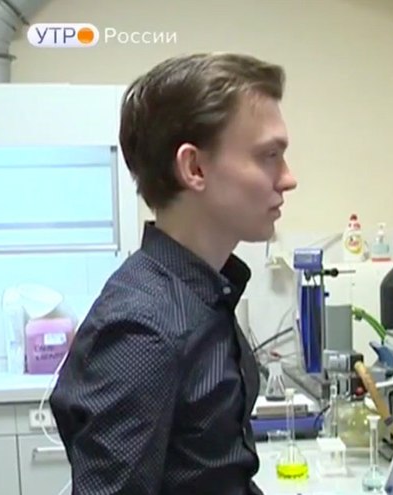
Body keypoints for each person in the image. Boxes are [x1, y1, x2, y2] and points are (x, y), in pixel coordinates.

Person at [49, 52, 297, 494]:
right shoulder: (142, 329)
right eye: (269, 155)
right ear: (194, 168)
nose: (288, 178)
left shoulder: (203, 294)